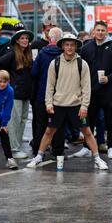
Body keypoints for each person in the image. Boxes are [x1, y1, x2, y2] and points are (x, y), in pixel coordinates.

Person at [26, 34, 108, 170]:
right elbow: (49, 86)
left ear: (76, 46)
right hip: (58, 104)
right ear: (63, 46)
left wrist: (84, 106)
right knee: (49, 132)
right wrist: (49, 103)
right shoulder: (55, 63)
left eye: (72, 45)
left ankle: (97, 158)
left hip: (76, 106)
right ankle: (39, 156)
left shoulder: (82, 64)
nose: (69, 47)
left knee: (87, 132)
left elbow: (86, 88)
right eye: (67, 45)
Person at [73, 20, 112, 160]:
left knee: (110, 120)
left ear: (106, 32)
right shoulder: (86, 47)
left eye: (103, 30)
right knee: (89, 120)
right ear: (93, 32)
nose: (100, 33)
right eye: (98, 30)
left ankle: (111, 147)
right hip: (91, 91)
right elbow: (80, 67)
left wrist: (110, 77)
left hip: (108, 91)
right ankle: (86, 147)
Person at [0, 29, 34, 159]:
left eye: (26, 38)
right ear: (17, 40)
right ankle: (14, 149)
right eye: (22, 38)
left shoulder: (27, 54)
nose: (25, 40)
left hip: (26, 93)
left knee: (22, 120)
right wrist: (3, 81)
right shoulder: (11, 54)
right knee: (14, 121)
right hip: (15, 93)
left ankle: (17, 146)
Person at [30, 27, 65, 158]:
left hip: (42, 94)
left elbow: (34, 72)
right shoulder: (64, 55)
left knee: (41, 124)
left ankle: (38, 151)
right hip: (60, 95)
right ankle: (58, 151)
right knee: (59, 124)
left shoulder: (42, 53)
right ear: (61, 39)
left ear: (49, 38)